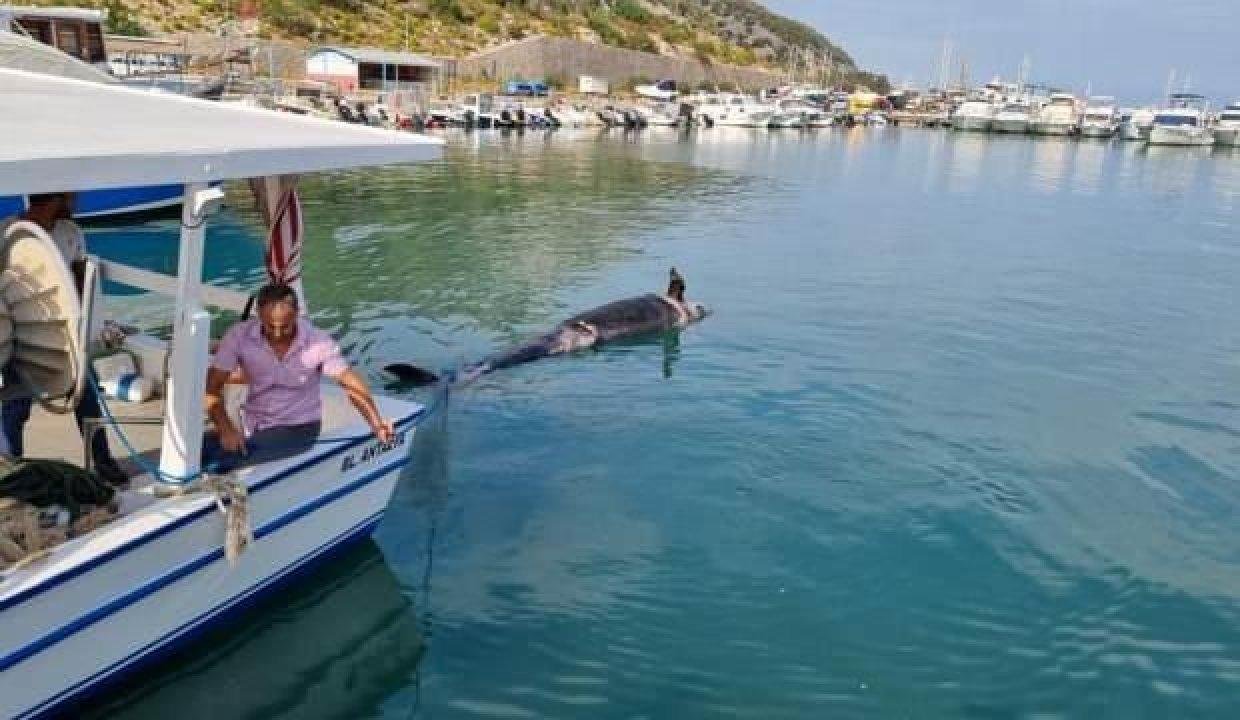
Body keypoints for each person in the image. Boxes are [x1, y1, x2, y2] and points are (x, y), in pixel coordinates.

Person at [0, 192, 128, 485]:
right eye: (71, 198)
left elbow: (80, 278)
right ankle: (12, 475)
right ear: (58, 199)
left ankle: (104, 464)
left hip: (65, 335)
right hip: (16, 335)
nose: (76, 203)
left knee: (86, 398)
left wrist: (84, 327)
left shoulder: (70, 233)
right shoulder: (8, 232)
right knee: (14, 408)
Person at [202, 282, 394, 473]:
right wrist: (225, 428)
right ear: (258, 313)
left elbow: (350, 382)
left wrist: (376, 423)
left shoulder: (318, 341)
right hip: (253, 422)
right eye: (270, 326)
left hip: (298, 428)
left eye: (285, 327)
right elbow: (212, 388)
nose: (277, 334)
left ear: (297, 313)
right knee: (198, 450)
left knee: (223, 462)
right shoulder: (238, 336)